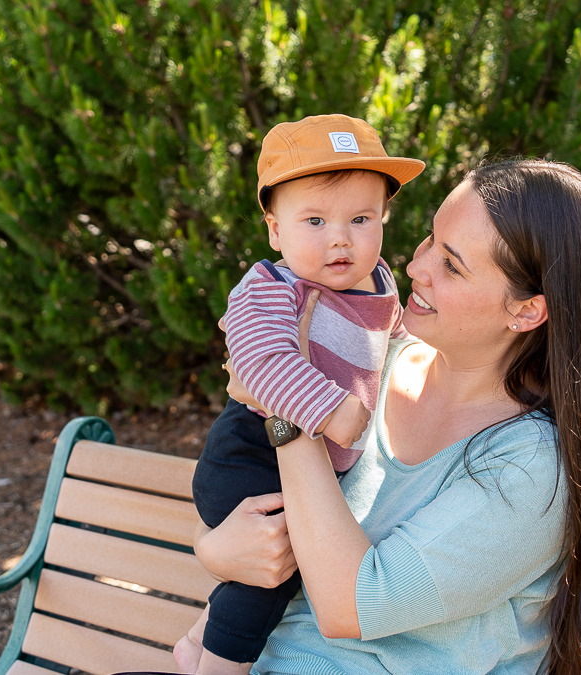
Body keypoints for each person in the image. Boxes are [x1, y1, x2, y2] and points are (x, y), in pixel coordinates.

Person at [195, 159, 581, 675]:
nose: (417, 267)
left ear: (527, 310)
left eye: (452, 265)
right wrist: (214, 551)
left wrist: (286, 410)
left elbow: (348, 605)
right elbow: (257, 525)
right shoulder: (374, 364)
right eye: (429, 240)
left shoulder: (527, 469)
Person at [175, 114, 425, 675]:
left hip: (314, 466)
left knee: (281, 567)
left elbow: (400, 344)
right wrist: (332, 410)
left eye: (361, 218)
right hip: (251, 453)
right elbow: (260, 363)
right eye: (314, 220)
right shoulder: (270, 287)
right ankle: (216, 666)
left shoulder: (381, 283)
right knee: (273, 573)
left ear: (383, 218)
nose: (340, 237)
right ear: (274, 230)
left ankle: (195, 641)